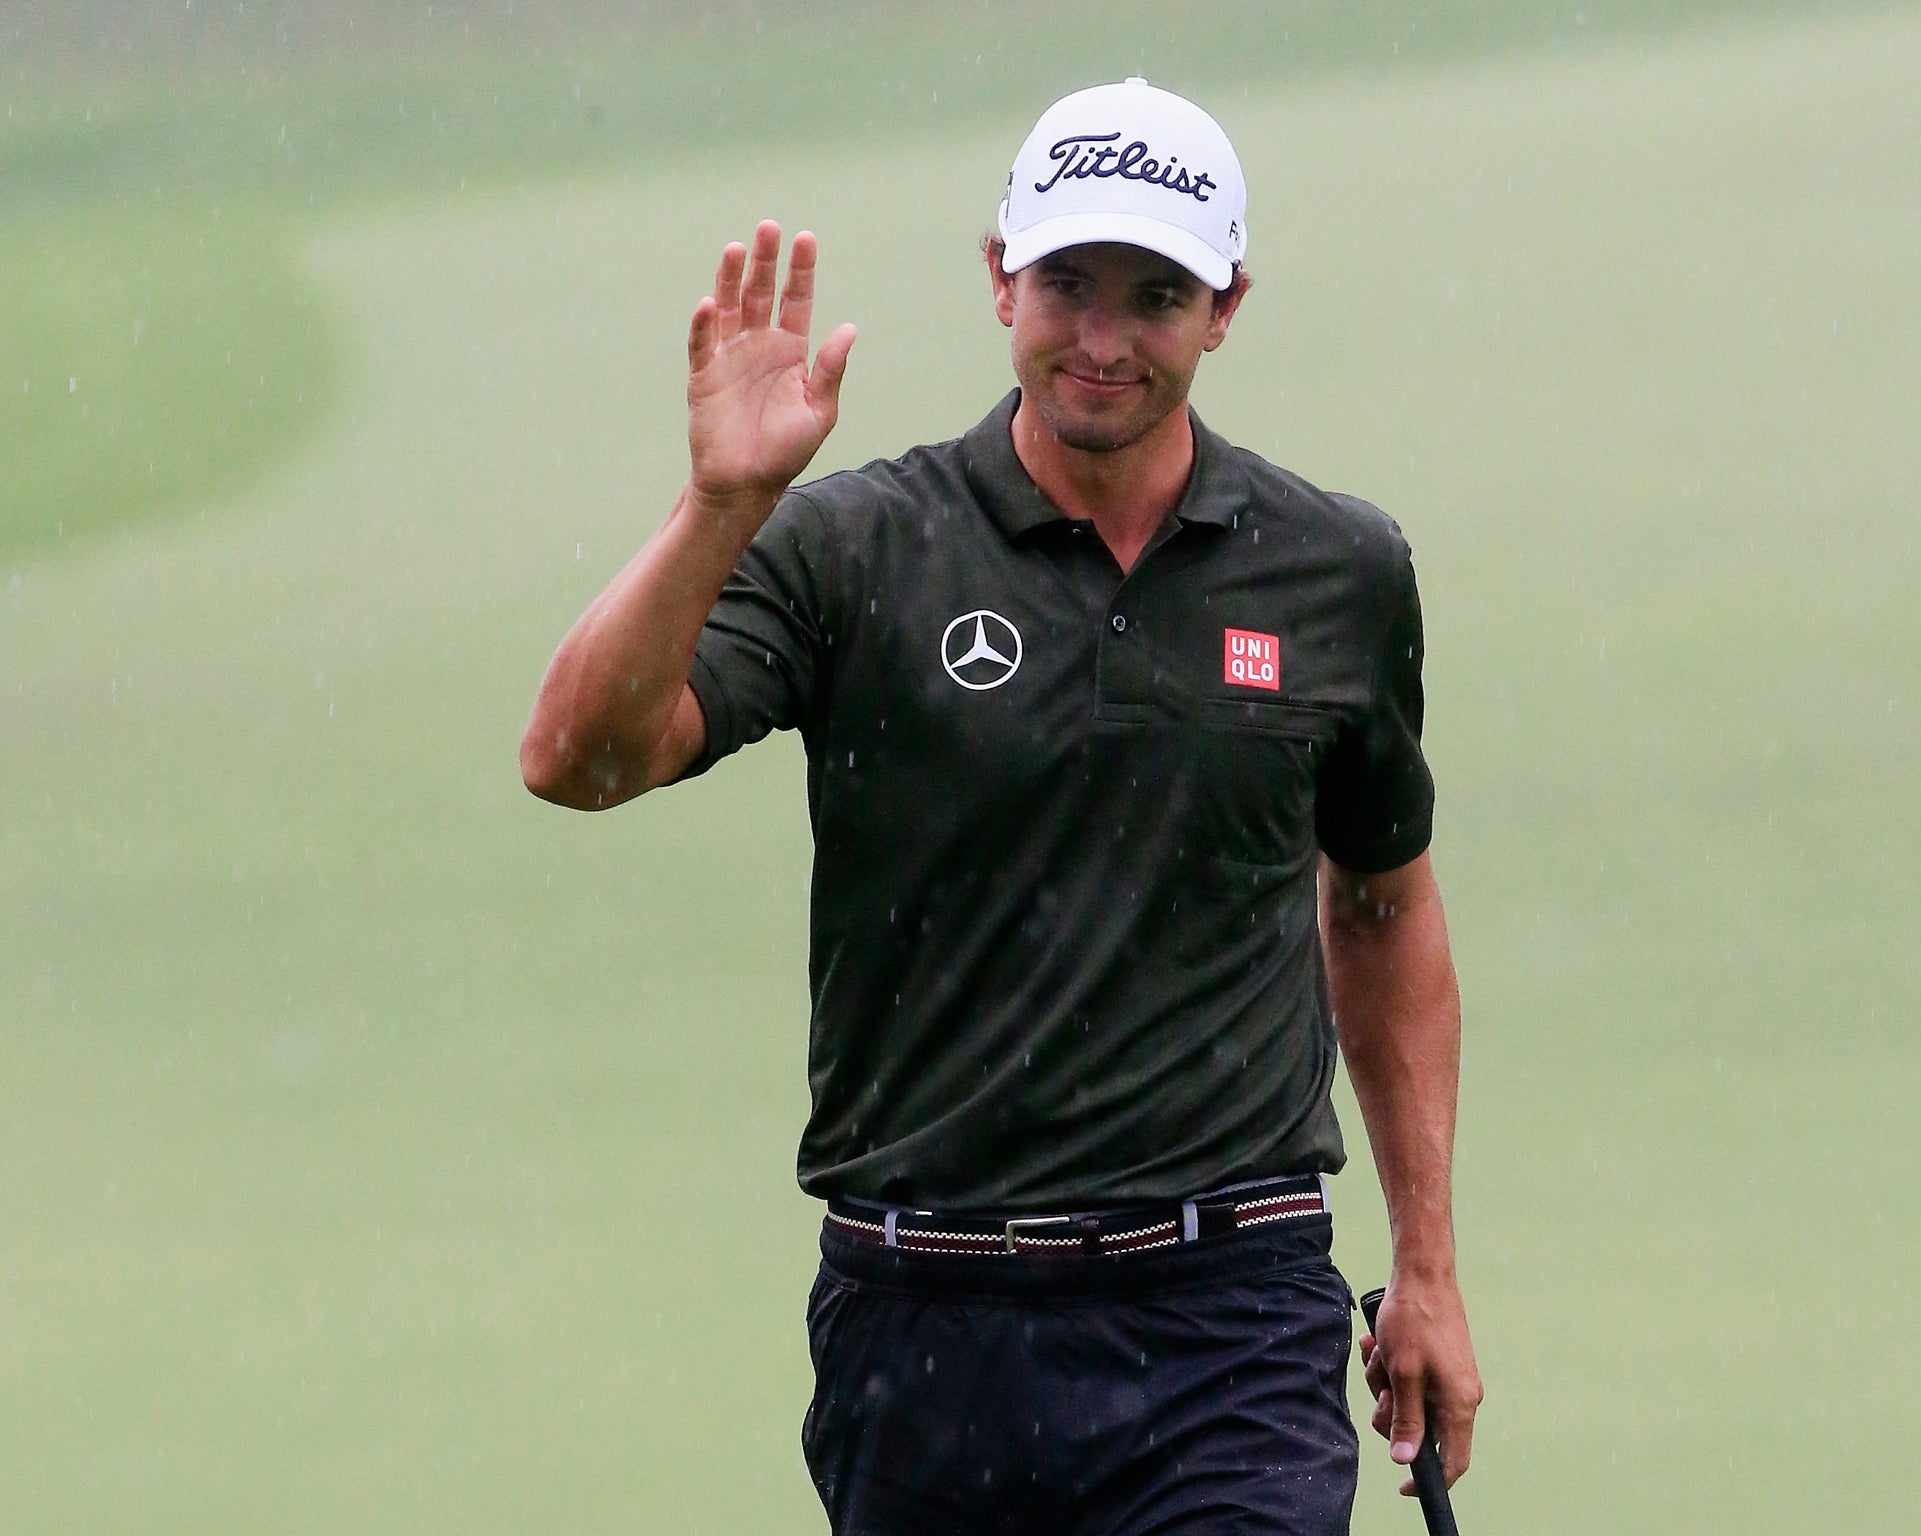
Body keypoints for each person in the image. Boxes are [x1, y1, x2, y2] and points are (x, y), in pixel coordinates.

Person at [521, 76, 1480, 1535]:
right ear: (997, 279)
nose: (1104, 339)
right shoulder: (854, 548)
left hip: (1232, 1309)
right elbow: (578, 758)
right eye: (1068, 286)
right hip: (927, 1326)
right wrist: (722, 505)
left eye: (1156, 296)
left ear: (1225, 307)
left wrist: (1429, 1269)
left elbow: (1385, 900)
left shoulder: (1336, 569)